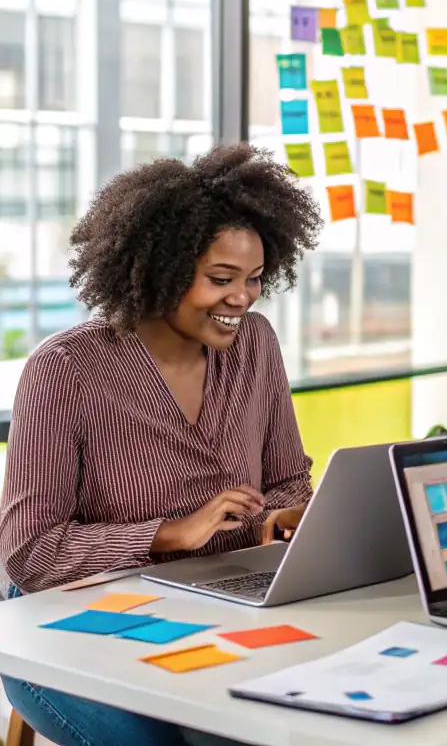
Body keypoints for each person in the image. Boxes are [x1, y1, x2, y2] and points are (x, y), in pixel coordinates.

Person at [0, 143, 323, 746]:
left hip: (217, 594)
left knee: (264, 725)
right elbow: (30, 553)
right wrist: (169, 534)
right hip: (69, 622)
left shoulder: (255, 344)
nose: (243, 299)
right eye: (220, 280)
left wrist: (281, 516)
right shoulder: (66, 370)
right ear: (161, 270)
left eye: (253, 280)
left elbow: (286, 479)